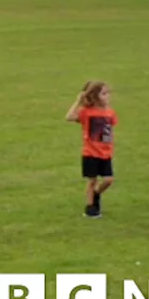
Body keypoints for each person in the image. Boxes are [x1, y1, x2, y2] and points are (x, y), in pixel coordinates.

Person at [66, 81, 116, 218]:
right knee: (92, 180)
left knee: (108, 180)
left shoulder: (110, 112)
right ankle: (90, 207)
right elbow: (69, 117)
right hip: (90, 153)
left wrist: (110, 146)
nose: (108, 96)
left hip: (105, 153)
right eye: (104, 93)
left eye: (108, 93)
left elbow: (110, 131)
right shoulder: (86, 113)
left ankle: (96, 194)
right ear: (95, 96)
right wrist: (78, 101)